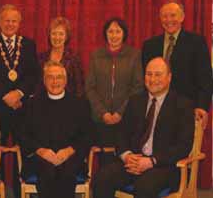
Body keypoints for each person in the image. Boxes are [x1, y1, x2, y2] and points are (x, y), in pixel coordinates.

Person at [92, 57, 194, 198]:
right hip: (133, 161)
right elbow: (121, 134)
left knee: (144, 187)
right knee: (101, 179)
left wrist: (151, 161)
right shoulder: (135, 100)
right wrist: (127, 156)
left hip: (163, 166)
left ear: (169, 77)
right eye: (149, 74)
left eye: (158, 74)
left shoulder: (183, 105)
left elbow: (183, 146)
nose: (152, 79)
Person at [20, 61, 93, 198]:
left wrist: (69, 151)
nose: (55, 81)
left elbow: (87, 135)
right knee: (48, 171)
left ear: (65, 80)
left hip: (70, 156)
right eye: (50, 77)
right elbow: (24, 135)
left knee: (66, 171)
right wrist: (41, 151)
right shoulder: (32, 104)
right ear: (44, 80)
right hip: (41, 157)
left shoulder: (79, 104)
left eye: (59, 77)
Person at [141, 0, 213, 129]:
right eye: (164, 16)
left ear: (182, 17)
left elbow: (205, 78)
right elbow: (145, 79)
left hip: (187, 110)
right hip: (156, 110)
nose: (168, 20)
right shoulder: (149, 45)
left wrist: (202, 106)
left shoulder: (196, 42)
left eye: (173, 15)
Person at [0, 4, 40, 145]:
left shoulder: (28, 44)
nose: (10, 24)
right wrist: (6, 96)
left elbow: (33, 74)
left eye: (14, 21)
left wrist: (18, 93)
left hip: (22, 106)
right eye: (7, 20)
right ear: (0, 21)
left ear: (19, 23)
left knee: (25, 149)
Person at [85, 17, 144, 150]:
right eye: (110, 31)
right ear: (105, 34)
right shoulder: (96, 55)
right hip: (100, 119)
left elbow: (138, 87)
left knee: (123, 157)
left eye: (118, 31)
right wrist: (103, 113)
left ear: (124, 34)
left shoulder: (134, 55)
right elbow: (90, 87)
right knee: (104, 159)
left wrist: (120, 113)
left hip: (126, 118)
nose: (114, 35)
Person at [37, 17, 84, 98]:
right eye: (54, 33)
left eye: (61, 34)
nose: (57, 37)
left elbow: (79, 88)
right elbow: (38, 86)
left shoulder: (74, 59)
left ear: (66, 37)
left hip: (68, 104)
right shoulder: (41, 58)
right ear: (49, 35)